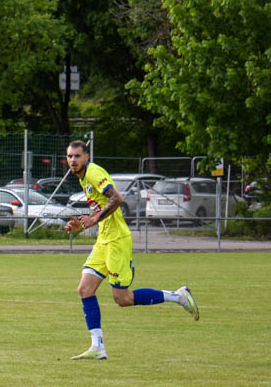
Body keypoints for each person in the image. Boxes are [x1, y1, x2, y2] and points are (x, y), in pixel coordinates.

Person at [63, 140, 198, 359]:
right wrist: (83, 224)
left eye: (77, 156)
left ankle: (178, 296)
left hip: (117, 241)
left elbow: (117, 198)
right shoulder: (83, 178)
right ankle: (97, 346)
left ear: (86, 157)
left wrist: (94, 219)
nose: (73, 160)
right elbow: (100, 208)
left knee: (123, 299)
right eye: (69, 156)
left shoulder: (93, 173)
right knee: (84, 289)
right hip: (104, 240)